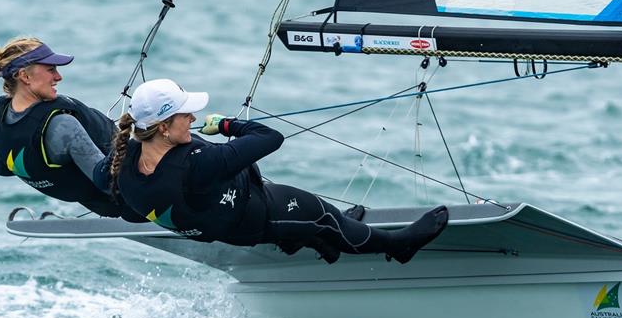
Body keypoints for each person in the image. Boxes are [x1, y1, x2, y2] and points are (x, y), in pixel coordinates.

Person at [109, 78, 448, 264]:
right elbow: (270, 137)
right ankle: (397, 246)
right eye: (186, 115)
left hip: (229, 227)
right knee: (325, 216)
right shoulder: (198, 165)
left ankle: (313, 241)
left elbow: (125, 207)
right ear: (164, 127)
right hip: (262, 214)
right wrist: (227, 124)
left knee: (318, 227)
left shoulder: (123, 161)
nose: (194, 120)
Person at [0, 36, 143, 221]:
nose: (58, 77)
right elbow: (107, 183)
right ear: (25, 76)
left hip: (103, 206)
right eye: (50, 70)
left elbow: (2, 169)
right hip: (146, 201)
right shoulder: (62, 126)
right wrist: (138, 138)